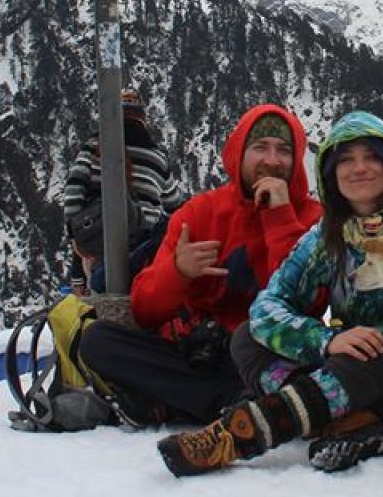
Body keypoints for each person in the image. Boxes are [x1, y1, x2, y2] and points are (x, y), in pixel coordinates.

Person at [157, 110, 383, 477]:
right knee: (248, 338)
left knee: (376, 354)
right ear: (331, 172)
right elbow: (267, 308)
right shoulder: (329, 235)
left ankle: (238, 435)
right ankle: (351, 420)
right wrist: (326, 340)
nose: (359, 168)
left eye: (372, 156)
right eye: (346, 160)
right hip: (358, 369)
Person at [77, 104, 322, 424]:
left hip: (262, 353)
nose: (272, 161)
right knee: (98, 341)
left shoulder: (312, 220)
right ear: (239, 154)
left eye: (284, 150)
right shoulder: (200, 213)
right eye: (260, 148)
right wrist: (178, 272)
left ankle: (178, 401)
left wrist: (279, 218)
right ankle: (230, 401)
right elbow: (144, 309)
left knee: (271, 350)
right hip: (193, 350)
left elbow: (308, 303)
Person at [63, 87, 186, 294]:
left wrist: (75, 237)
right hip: (146, 247)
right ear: (141, 119)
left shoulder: (93, 148)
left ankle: (80, 287)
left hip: (100, 243)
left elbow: (74, 191)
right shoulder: (157, 157)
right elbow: (175, 204)